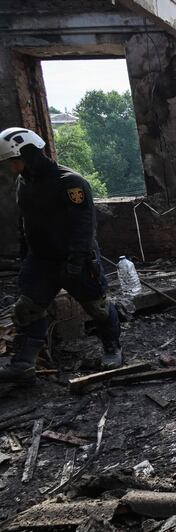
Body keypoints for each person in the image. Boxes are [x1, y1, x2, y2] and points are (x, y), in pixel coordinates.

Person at [0, 127, 122, 385]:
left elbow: (84, 225)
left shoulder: (70, 182)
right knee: (27, 308)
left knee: (98, 308)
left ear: (29, 153)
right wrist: (26, 255)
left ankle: (112, 348)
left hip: (75, 258)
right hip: (41, 259)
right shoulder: (24, 182)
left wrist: (77, 261)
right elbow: (25, 222)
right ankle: (23, 366)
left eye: (15, 160)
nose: (13, 167)